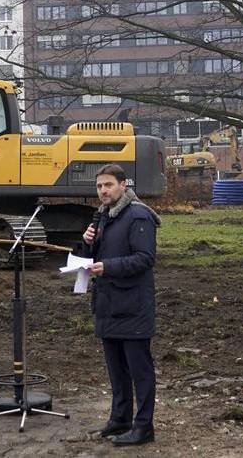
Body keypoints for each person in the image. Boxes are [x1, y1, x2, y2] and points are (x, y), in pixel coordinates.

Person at [78, 163, 161, 446]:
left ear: (123, 185)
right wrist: (87, 244)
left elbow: (145, 258)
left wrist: (108, 267)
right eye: (99, 186)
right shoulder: (103, 217)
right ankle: (120, 418)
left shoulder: (138, 216)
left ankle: (144, 426)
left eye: (109, 185)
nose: (103, 190)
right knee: (116, 370)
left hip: (133, 307)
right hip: (107, 305)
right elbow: (93, 258)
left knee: (140, 371)